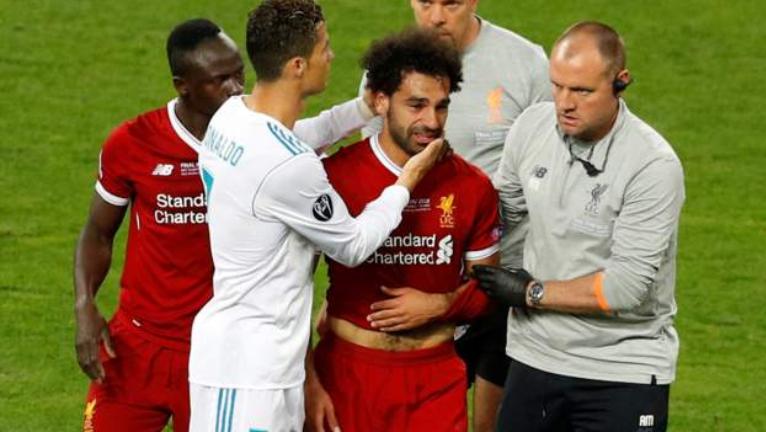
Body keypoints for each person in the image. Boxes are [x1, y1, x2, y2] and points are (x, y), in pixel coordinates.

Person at [73, 18, 382, 432]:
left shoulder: (245, 136)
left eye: (239, 74)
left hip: (217, 355)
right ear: (182, 85)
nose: (236, 89)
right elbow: (97, 232)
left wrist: (361, 109)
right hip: (140, 345)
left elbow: (298, 139)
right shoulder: (134, 143)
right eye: (219, 80)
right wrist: (84, 304)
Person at [187, 3, 447, 432]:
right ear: (297, 65)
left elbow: (296, 138)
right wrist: (408, 180)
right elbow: (353, 245)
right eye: (324, 48)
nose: (331, 56)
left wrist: (362, 109)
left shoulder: (233, 116)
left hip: (253, 359)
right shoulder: (286, 166)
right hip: (249, 373)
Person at [474, 21, 685, 431]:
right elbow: (502, 216)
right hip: (534, 357)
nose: (565, 103)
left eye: (582, 91)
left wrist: (530, 292)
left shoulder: (652, 166)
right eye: (557, 86)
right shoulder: (531, 129)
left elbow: (625, 287)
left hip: (621, 369)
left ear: (621, 83)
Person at [359, 2, 551, 430]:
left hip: (501, 283)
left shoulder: (526, 65)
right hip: (419, 284)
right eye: (425, 2)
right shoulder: (388, 73)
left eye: (451, 3)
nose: (436, 16)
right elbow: (376, 173)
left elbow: (551, 168)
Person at [306, 28, 501, 432]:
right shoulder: (334, 178)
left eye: (441, 107)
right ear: (380, 101)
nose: (431, 121)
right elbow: (286, 292)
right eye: (416, 105)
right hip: (348, 377)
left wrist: (441, 304)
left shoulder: (472, 186)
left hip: (435, 383)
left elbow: (489, 288)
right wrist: (309, 383)